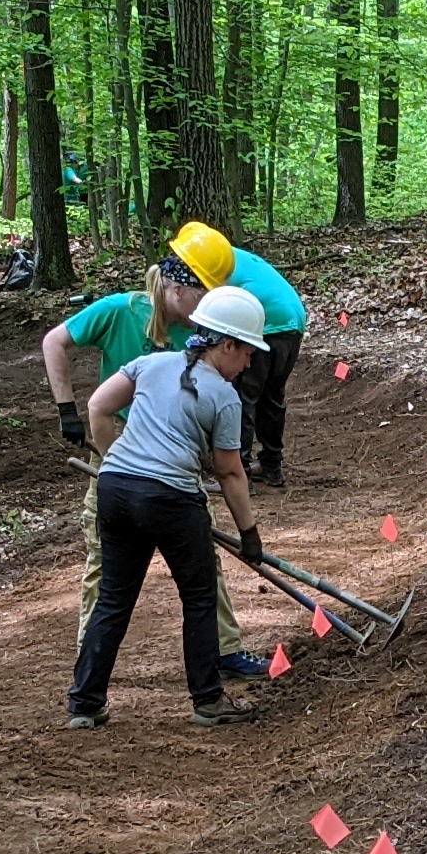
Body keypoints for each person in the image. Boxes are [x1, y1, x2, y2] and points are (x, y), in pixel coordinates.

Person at [39, 251, 257, 674]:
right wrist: (70, 414)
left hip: (174, 467)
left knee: (201, 562)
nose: (208, 307)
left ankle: (225, 649)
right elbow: (55, 343)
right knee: (105, 566)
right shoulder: (119, 312)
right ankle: (90, 659)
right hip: (119, 453)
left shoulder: (201, 335)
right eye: (203, 294)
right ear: (177, 290)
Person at [70, 285, 274, 731]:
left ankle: (85, 702)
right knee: (199, 598)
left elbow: (97, 406)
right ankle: (208, 700)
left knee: (113, 598)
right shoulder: (224, 396)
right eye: (247, 353)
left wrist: (116, 460)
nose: (249, 364)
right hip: (171, 499)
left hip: (115, 492)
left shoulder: (150, 364)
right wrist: (250, 534)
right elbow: (230, 472)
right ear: (227, 344)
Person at [162, 219, 311, 487]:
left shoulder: (211, 268)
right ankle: (271, 465)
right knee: (271, 395)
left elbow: (212, 316)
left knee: (241, 397)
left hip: (264, 325)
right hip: (292, 322)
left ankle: (237, 471)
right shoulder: (228, 258)